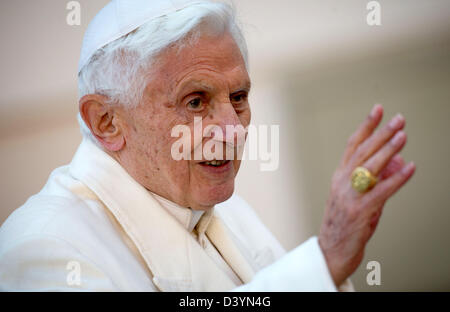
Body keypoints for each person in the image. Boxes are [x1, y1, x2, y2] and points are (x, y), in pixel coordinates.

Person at [0, 0, 415, 291]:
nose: (232, 130)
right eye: (195, 102)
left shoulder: (221, 207)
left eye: (238, 98)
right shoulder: (42, 247)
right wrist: (325, 258)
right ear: (107, 121)